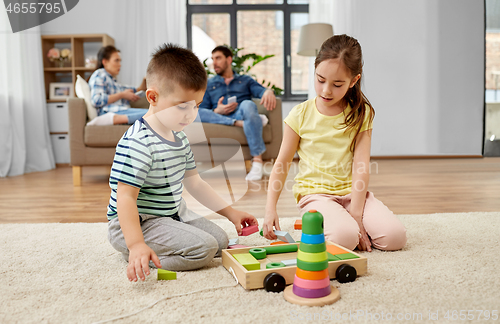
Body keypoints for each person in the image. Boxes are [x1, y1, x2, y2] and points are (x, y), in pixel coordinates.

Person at [107, 43, 259, 282]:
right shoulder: (138, 143)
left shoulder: (179, 136)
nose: (191, 115)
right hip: (136, 223)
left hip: (170, 214)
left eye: (196, 106)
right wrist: (136, 243)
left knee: (220, 242)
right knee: (204, 249)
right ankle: (138, 256)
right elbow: (125, 198)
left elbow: (195, 184)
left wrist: (231, 213)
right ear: (153, 97)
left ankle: (155, 246)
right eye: (182, 106)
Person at [263, 35, 407, 252]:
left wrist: (357, 215)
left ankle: (346, 223)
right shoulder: (300, 115)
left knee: (395, 238)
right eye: (320, 80)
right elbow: (281, 164)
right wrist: (270, 209)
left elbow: (361, 166)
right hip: (316, 195)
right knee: (345, 238)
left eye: (337, 84)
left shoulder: (361, 113)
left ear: (354, 81)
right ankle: (333, 226)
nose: (326, 90)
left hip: (353, 194)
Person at [198, 45, 277, 181]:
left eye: (218, 58)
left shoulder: (245, 80)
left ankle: (257, 161)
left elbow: (261, 90)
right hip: (219, 117)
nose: (214, 63)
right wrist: (217, 110)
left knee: (247, 104)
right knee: (195, 112)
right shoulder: (209, 84)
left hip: (241, 113)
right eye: (212, 59)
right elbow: (202, 109)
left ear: (229, 59)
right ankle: (245, 122)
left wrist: (268, 91)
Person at [87, 45, 147, 126]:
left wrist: (145, 79)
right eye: (116, 61)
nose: (120, 64)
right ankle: (111, 118)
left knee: (153, 114)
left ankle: (123, 118)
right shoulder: (99, 74)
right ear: (105, 62)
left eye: (120, 61)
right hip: (111, 111)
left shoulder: (113, 81)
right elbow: (96, 100)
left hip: (122, 110)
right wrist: (122, 95)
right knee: (152, 115)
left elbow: (139, 89)